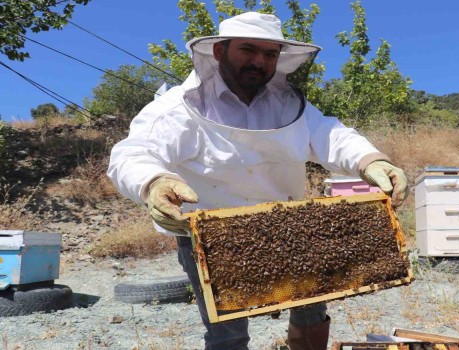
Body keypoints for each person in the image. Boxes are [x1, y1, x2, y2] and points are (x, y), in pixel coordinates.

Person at [107, 11, 408, 350]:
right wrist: (154, 182)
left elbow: (332, 135)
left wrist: (372, 160)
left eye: (269, 54)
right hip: (211, 237)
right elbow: (132, 153)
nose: (258, 61)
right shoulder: (178, 107)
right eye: (248, 50)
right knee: (228, 333)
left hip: (289, 228)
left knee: (311, 311)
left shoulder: (288, 104)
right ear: (220, 51)